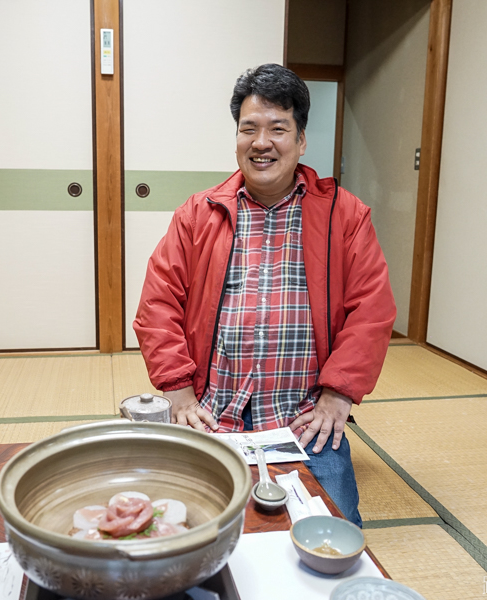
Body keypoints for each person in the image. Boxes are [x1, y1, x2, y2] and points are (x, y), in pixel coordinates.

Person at [134, 64, 395, 527]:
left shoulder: (345, 214)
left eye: (278, 129)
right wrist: (177, 392)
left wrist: (338, 395)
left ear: (301, 140)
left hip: (302, 420)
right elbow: (158, 302)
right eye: (248, 129)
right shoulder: (199, 213)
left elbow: (371, 310)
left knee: (335, 536)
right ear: (236, 138)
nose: (261, 142)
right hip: (212, 415)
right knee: (180, 530)